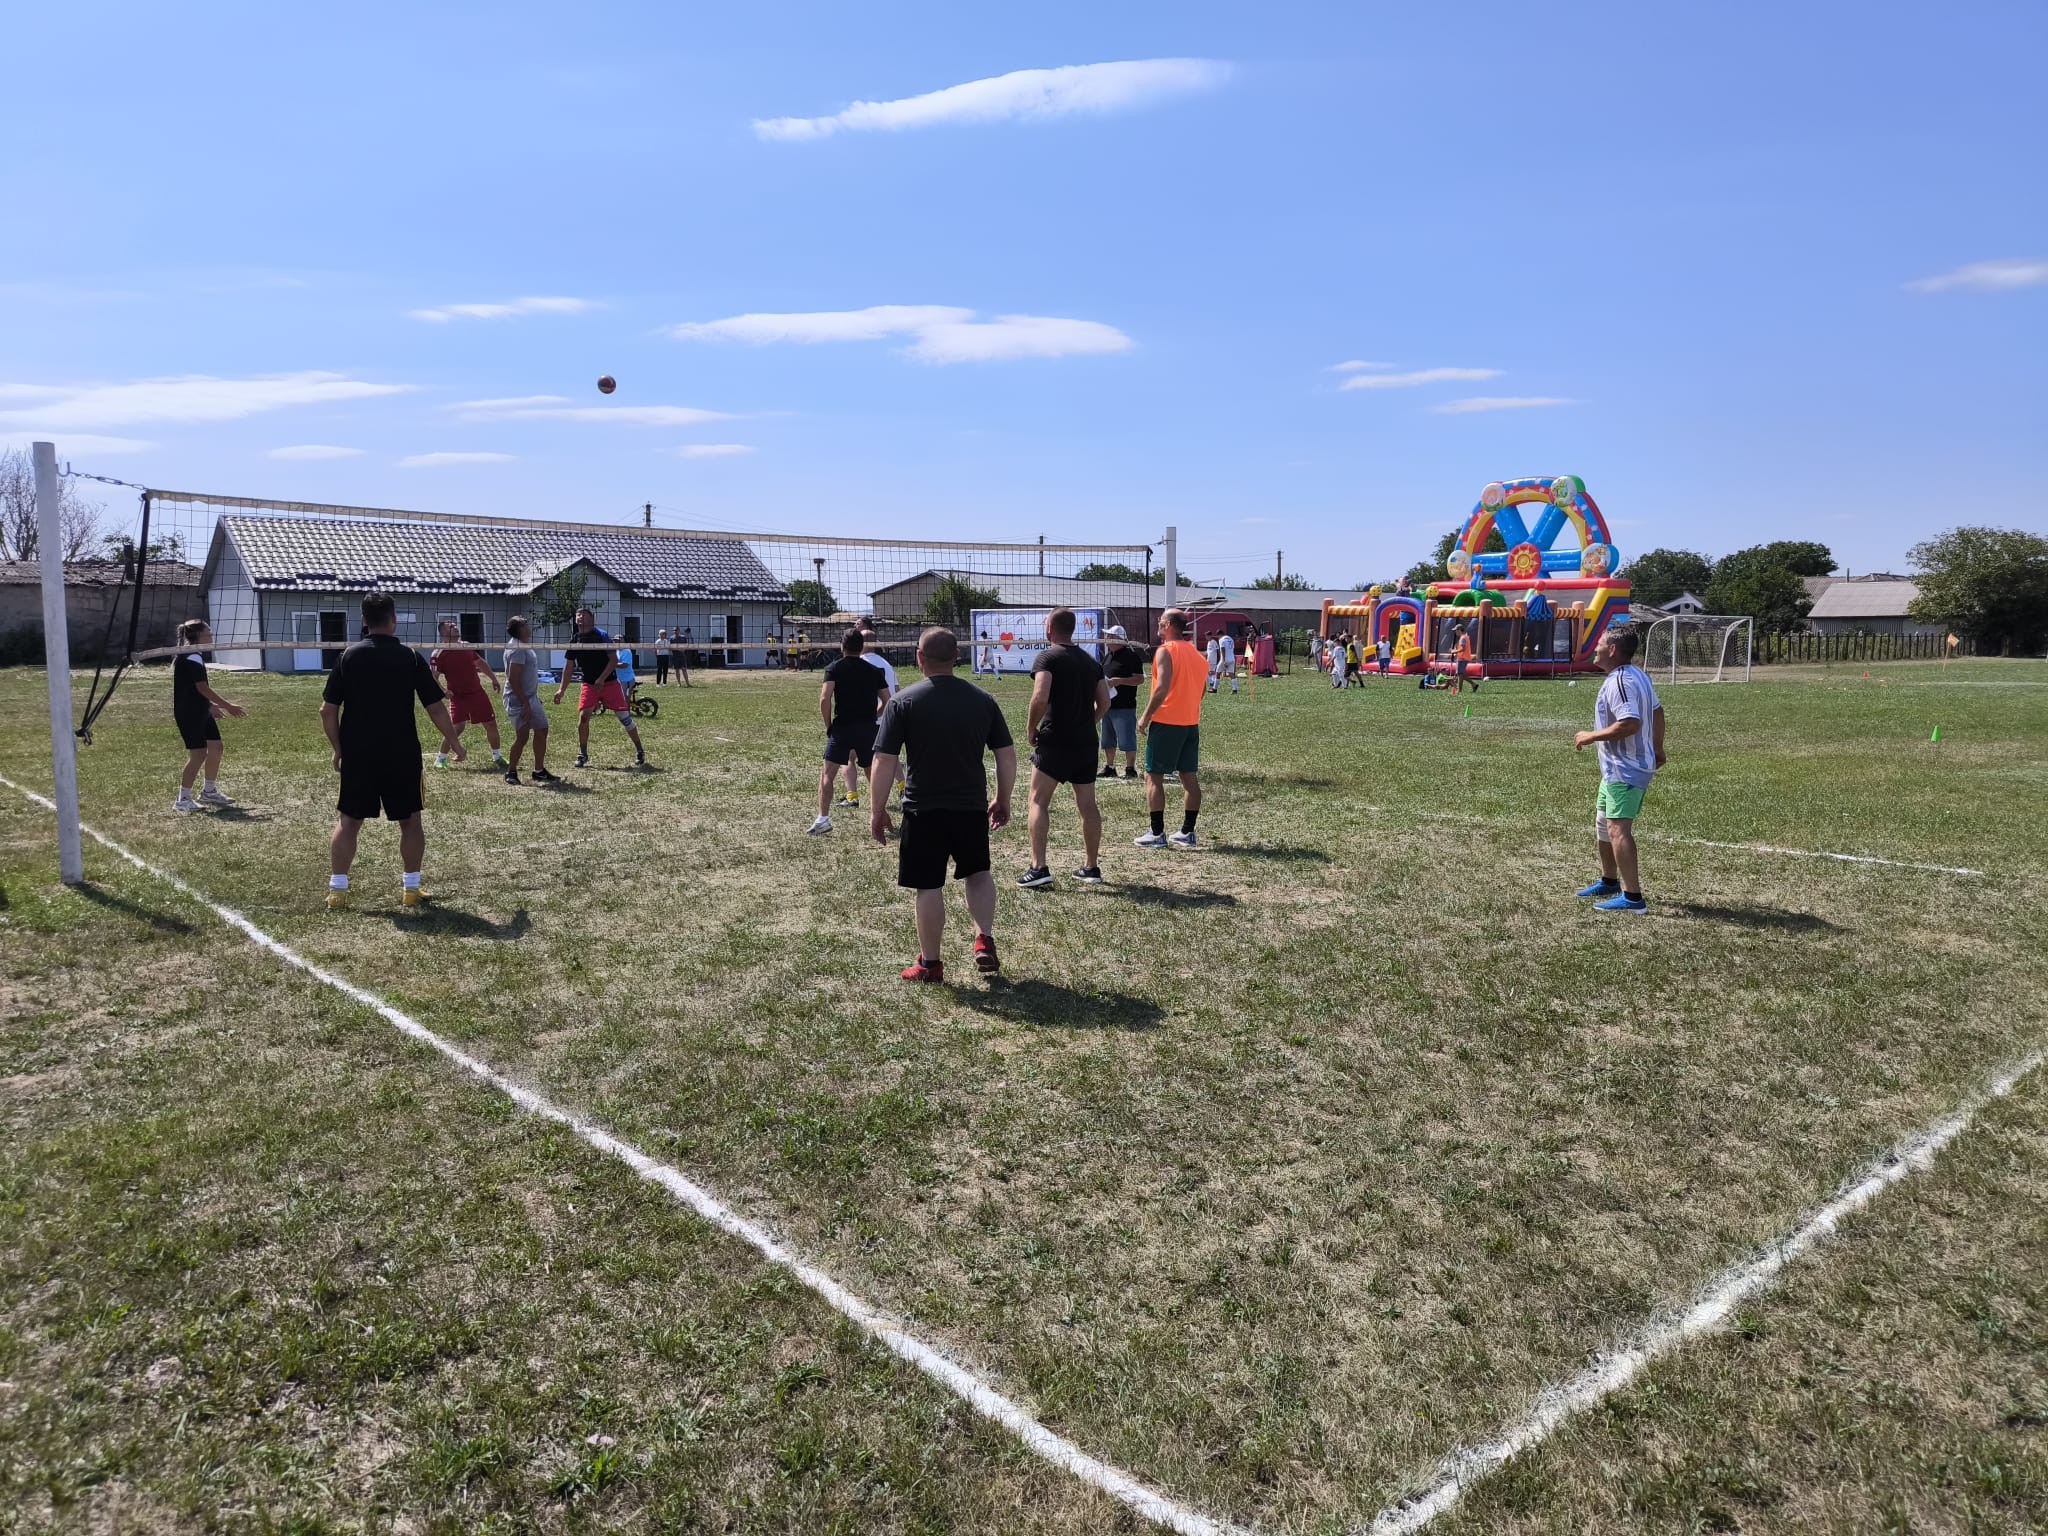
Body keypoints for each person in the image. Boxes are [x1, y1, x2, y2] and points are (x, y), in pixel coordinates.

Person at [868, 628, 1015, 982]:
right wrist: (1003, 798)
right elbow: (1006, 756)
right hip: (970, 807)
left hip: (923, 809)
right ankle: (983, 938)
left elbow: (884, 761)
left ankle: (930, 964)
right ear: (957, 657)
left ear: (920, 657)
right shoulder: (983, 700)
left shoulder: (902, 702)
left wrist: (877, 810)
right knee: (978, 873)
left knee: (929, 886)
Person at [321, 592, 464, 910]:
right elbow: (435, 708)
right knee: (410, 821)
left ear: (363, 620)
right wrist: (454, 742)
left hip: (359, 753)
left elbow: (327, 711)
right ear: (393, 619)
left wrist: (338, 750)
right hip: (401, 752)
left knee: (349, 821)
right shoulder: (410, 657)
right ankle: (411, 889)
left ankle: (337, 892)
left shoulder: (347, 656)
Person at [1573, 628, 1666, 914]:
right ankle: (1609, 881)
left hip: (1626, 769)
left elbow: (1630, 723)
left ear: (1612, 649)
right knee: (1604, 823)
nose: (1595, 647)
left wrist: (1591, 736)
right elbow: (1657, 711)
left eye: (1600, 643)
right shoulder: (1637, 675)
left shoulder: (1621, 681)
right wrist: (1658, 747)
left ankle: (1633, 898)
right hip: (1615, 769)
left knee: (1618, 828)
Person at [1018, 608, 1111, 888]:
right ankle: (1091, 867)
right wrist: (1087, 722)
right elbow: (1105, 702)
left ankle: (1039, 868)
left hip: (1056, 740)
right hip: (1085, 743)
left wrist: (1031, 728)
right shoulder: (1090, 661)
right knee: (1088, 806)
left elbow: (1040, 697)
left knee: (1037, 801)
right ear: (1072, 629)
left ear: (1049, 628)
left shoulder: (1047, 657)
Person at [1134, 607, 1205, 849]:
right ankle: (1187, 832)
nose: (1158, 622)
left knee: (1153, 776)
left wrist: (1145, 717)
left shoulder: (1166, 651)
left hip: (1166, 723)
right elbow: (1201, 691)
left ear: (1169, 625)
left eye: (1161, 620)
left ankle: (1156, 833)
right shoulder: (1197, 654)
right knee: (1189, 777)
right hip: (1190, 724)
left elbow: (1161, 688)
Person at [811, 629, 889, 834]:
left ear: (841, 646)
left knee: (828, 773)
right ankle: (879, 814)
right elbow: (888, 699)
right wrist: (874, 714)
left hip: (842, 728)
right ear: (862, 646)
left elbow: (825, 698)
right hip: (868, 728)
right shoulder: (874, 671)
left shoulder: (834, 668)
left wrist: (828, 725)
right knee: (872, 773)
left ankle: (823, 819)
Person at [554, 606, 647, 769]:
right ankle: (582, 754)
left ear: (592, 619)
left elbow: (613, 660)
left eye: (584, 614)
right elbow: (568, 667)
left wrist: (602, 678)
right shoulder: (575, 640)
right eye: (578, 614)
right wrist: (561, 690)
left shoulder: (601, 635)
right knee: (584, 717)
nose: (579, 616)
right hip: (589, 684)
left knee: (624, 717)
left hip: (609, 682)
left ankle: (640, 750)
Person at [171, 618, 244, 812]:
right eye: (208, 633)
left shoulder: (194, 655)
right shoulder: (191, 657)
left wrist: (210, 705)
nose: (212, 637)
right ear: (198, 636)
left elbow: (192, 688)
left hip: (201, 710)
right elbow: (201, 688)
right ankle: (182, 799)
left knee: (216, 747)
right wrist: (228, 706)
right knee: (198, 753)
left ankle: (209, 791)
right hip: (190, 713)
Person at [430, 621, 507, 769]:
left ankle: (497, 757)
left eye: (455, 625)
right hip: (458, 697)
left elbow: (480, 663)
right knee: (456, 728)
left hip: (477, 693)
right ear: (443, 633)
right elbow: (433, 677)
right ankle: (441, 759)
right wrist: (443, 691)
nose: (455, 626)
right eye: (450, 626)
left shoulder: (466, 646)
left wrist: (494, 679)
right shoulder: (438, 653)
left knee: (491, 724)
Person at [500, 615, 557, 785]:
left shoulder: (523, 645)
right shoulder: (517, 649)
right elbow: (513, 678)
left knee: (542, 730)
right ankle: (511, 772)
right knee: (522, 736)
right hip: (517, 699)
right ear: (519, 629)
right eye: (525, 624)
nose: (528, 626)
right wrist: (525, 703)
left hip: (531, 697)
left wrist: (533, 700)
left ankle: (539, 771)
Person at [1098, 624, 1145, 780]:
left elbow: (1140, 679)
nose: (1106, 638)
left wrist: (1120, 681)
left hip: (1124, 706)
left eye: (1109, 636)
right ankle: (1110, 767)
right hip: (1107, 705)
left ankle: (1130, 769)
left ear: (1118, 639)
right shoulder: (1108, 656)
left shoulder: (1131, 656)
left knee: (1127, 739)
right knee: (1107, 740)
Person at [1452, 624, 1478, 694]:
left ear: (1459, 630)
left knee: (1460, 674)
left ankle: (1459, 690)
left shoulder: (1462, 638)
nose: (1455, 632)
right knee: (1460, 674)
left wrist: (1454, 651)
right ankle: (1473, 684)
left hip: (1462, 658)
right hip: (1464, 658)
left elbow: (1463, 649)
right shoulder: (1465, 637)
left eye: (1456, 630)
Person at [1218, 626, 1239, 694]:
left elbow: (1223, 649)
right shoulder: (1231, 639)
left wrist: (1224, 661)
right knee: (1232, 674)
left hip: (1225, 659)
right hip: (1232, 658)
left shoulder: (1221, 640)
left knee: (1217, 673)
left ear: (1219, 635)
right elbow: (1232, 649)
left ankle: (1214, 688)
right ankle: (1235, 689)